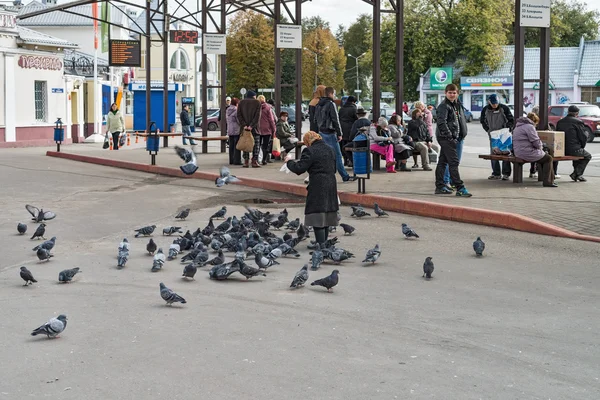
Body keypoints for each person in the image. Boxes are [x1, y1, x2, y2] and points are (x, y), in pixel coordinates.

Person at [284, 131, 339, 245]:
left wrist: (289, 162)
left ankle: (320, 244)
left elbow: (300, 168)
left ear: (308, 141)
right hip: (331, 183)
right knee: (327, 214)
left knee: (317, 215)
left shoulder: (310, 150)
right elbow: (334, 169)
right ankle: (324, 242)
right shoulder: (330, 149)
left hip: (318, 184)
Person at [435, 84, 472, 197]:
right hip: (447, 139)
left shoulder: (455, 105)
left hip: (451, 138)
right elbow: (441, 122)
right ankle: (460, 187)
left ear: (457, 94)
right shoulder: (444, 106)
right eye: (450, 92)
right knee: (453, 162)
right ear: (445, 93)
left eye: (454, 93)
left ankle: (440, 186)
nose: (452, 95)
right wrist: (450, 136)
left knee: (443, 162)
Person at [316, 86, 356, 182]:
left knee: (323, 155)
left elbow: (315, 119)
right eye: (334, 93)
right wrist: (339, 133)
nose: (334, 96)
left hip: (321, 131)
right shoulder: (331, 104)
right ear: (330, 93)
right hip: (330, 133)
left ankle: (323, 175)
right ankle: (345, 176)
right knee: (337, 155)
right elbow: (335, 119)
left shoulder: (319, 104)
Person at [512, 113, 557, 187]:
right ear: (534, 121)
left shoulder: (518, 126)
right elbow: (535, 141)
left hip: (518, 152)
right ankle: (548, 182)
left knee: (543, 157)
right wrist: (541, 147)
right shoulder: (529, 127)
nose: (535, 125)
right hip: (526, 152)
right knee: (548, 158)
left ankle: (546, 179)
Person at [480, 94, 515, 180]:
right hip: (493, 135)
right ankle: (496, 173)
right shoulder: (485, 109)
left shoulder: (504, 108)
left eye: (496, 103)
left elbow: (511, 120)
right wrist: (488, 129)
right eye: (493, 104)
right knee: (494, 153)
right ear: (489, 102)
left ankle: (506, 174)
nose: (495, 105)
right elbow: (483, 121)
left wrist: (507, 128)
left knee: (505, 153)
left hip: (504, 134)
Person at [557, 105, 592, 182]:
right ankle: (576, 174)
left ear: (568, 112)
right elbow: (582, 137)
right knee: (587, 156)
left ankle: (578, 175)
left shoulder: (560, 122)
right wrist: (583, 144)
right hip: (574, 149)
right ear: (577, 113)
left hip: (561, 149)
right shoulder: (578, 122)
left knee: (577, 154)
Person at [236, 90, 262, 168]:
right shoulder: (257, 103)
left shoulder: (241, 102)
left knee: (245, 143)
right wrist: (252, 125)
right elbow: (257, 116)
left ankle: (246, 162)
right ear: (254, 96)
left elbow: (239, 115)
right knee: (256, 144)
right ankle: (254, 161)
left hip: (244, 128)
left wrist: (244, 125)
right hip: (255, 128)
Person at [339, 95, 358, 167]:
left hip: (342, 128)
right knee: (351, 144)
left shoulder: (341, 108)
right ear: (353, 102)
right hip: (351, 128)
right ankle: (351, 160)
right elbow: (356, 118)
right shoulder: (354, 108)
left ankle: (345, 160)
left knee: (343, 144)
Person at [257, 95, 276, 165]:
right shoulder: (268, 108)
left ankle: (257, 159)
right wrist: (274, 129)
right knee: (266, 145)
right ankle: (264, 160)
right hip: (267, 129)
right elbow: (271, 119)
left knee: (257, 145)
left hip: (258, 129)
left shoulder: (256, 108)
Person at [226, 98, 241, 165]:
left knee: (231, 146)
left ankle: (231, 160)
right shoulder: (236, 110)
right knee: (237, 146)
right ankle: (237, 160)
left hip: (230, 130)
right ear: (236, 103)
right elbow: (238, 120)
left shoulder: (227, 110)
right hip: (236, 130)